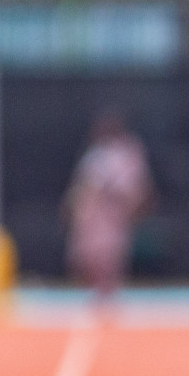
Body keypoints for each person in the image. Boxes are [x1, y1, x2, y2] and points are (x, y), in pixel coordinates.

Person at [64, 110, 154, 305]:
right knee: (86, 255)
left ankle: (107, 293)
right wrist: (79, 208)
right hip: (94, 213)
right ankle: (99, 290)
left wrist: (132, 206)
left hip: (113, 215)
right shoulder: (96, 155)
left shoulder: (126, 154)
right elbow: (85, 186)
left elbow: (135, 187)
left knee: (110, 254)